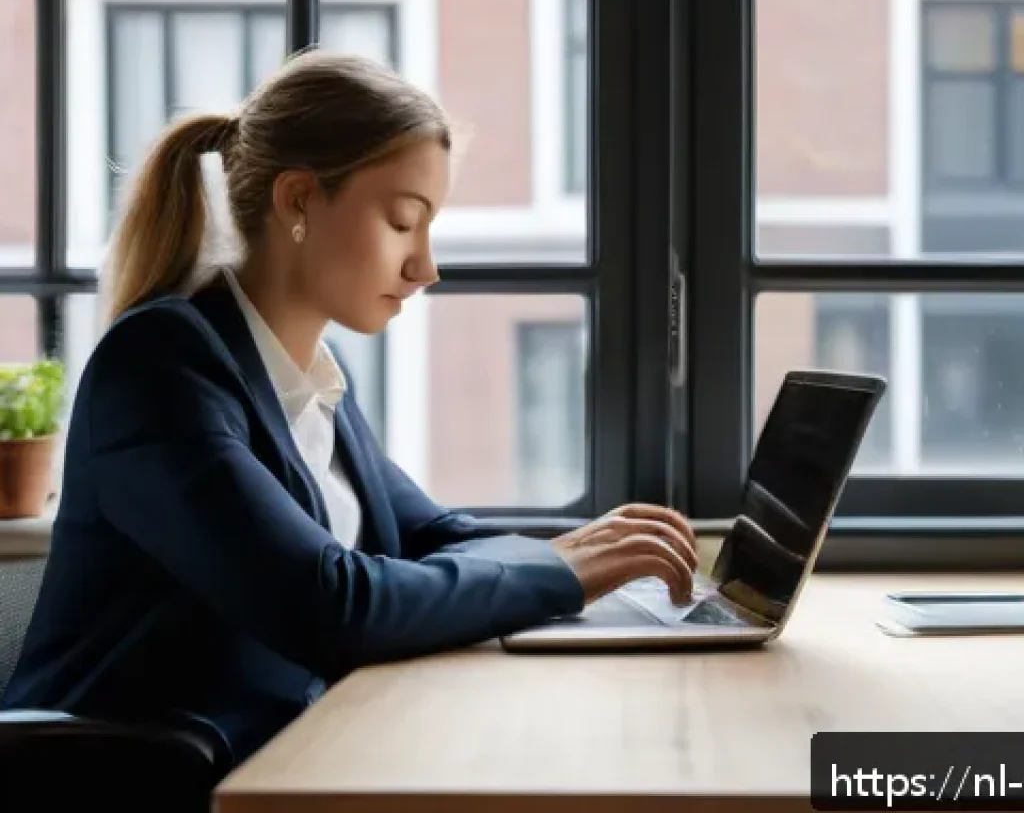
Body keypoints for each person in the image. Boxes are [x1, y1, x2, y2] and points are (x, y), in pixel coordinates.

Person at [1, 50, 697, 773]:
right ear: (299, 200)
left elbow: (433, 538)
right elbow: (328, 604)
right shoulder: (159, 366)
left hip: (286, 758)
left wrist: (591, 557)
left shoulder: (309, 380)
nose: (425, 267)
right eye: (403, 222)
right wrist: (562, 570)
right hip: (130, 781)